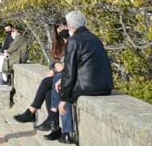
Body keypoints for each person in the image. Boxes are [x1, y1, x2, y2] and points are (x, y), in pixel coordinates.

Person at [45, 10, 112, 144]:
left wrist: (63, 99)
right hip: (105, 86)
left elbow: (69, 72)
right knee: (60, 82)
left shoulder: (73, 41)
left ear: (70, 27)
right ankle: (56, 124)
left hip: (88, 87)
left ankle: (66, 133)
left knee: (61, 88)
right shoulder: (95, 38)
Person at [13, 19, 68, 129]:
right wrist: (55, 65)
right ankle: (53, 123)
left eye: (63, 25)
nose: (60, 28)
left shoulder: (73, 41)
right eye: (58, 26)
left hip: (68, 75)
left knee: (46, 82)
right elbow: (53, 60)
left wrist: (56, 69)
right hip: (61, 74)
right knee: (48, 89)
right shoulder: (58, 43)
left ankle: (32, 111)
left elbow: (71, 63)